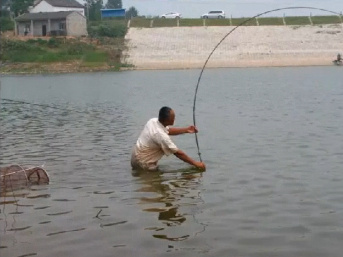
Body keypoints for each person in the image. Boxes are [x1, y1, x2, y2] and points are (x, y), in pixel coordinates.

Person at [131, 106, 206, 171]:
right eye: (173, 118)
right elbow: (178, 153)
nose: (174, 118)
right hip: (144, 163)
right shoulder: (161, 136)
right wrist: (196, 164)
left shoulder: (153, 121)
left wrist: (186, 130)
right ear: (166, 120)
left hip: (135, 157)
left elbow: (167, 130)